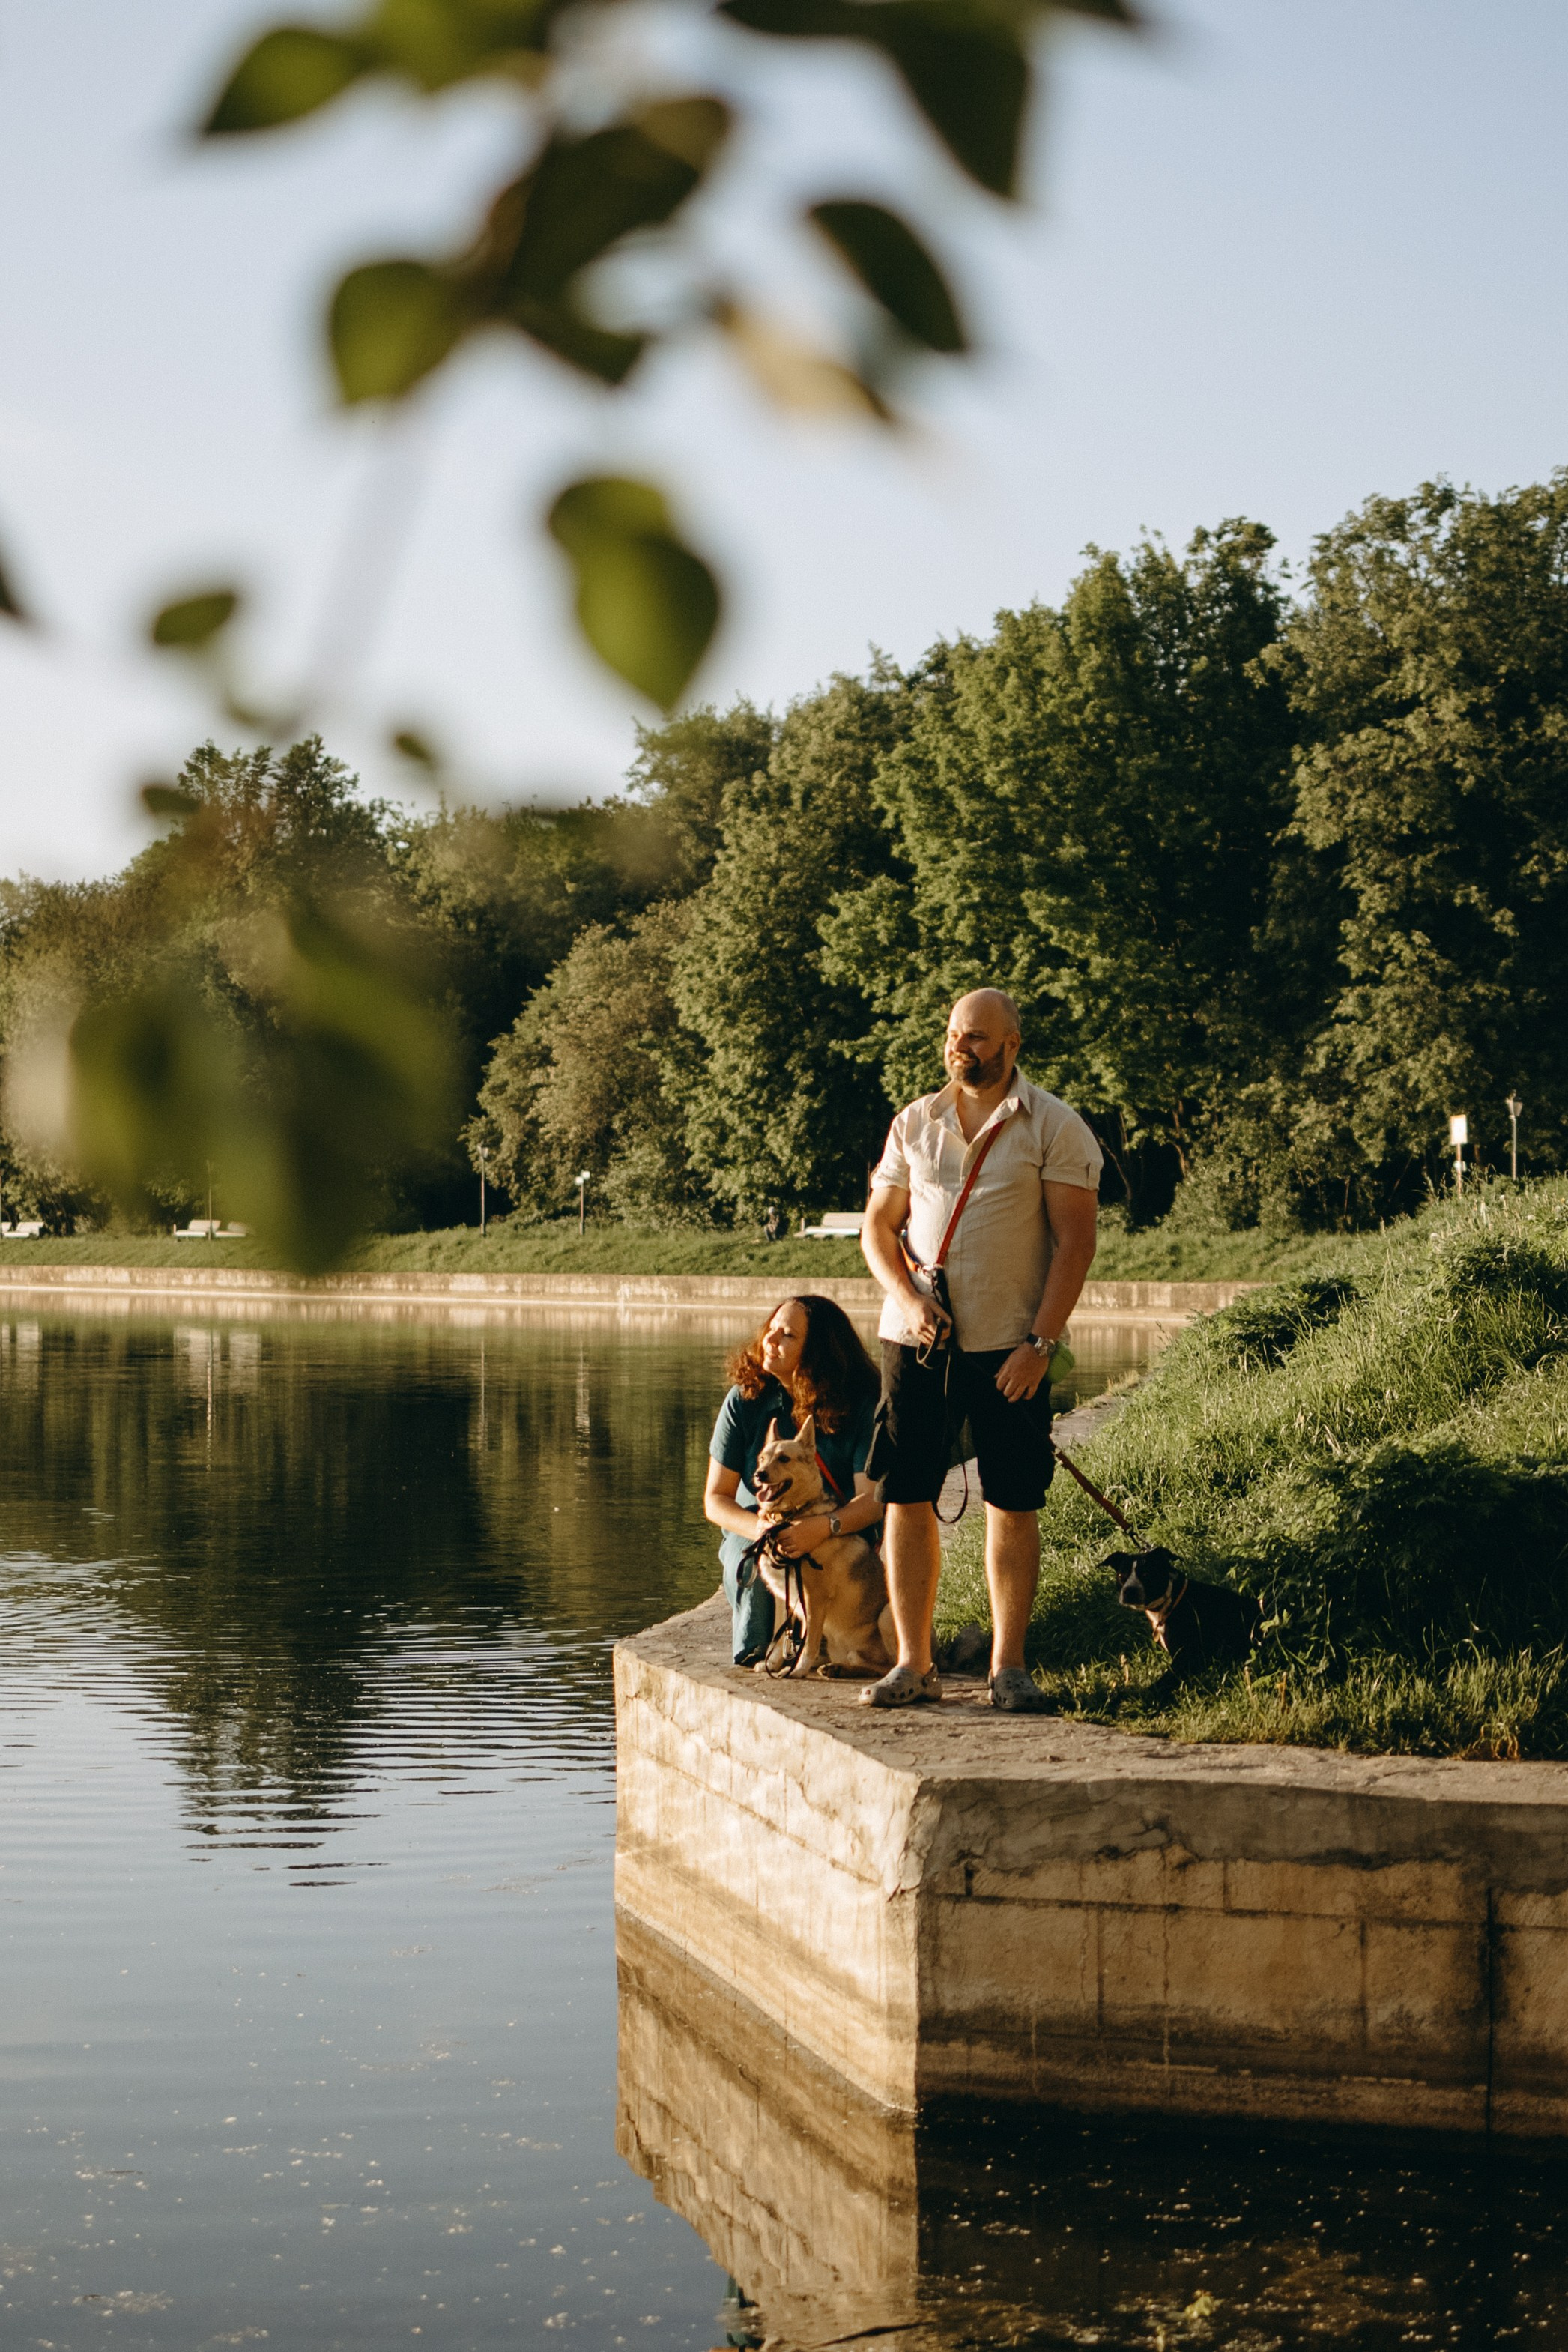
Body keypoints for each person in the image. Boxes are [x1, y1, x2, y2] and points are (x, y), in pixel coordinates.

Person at [859, 988, 1101, 1712]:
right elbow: (878, 1230)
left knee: (1013, 1499)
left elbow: (1075, 1243)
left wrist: (1039, 1343)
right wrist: (907, 1299)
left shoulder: (1054, 1125)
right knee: (905, 1496)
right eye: (953, 1034)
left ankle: (1008, 1668)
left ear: (1010, 1045)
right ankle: (913, 1662)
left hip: (1009, 1350)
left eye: (975, 1037)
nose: (958, 1046)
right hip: (916, 1342)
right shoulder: (915, 1122)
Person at [704, 1294, 886, 1666]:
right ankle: (758, 1650)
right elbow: (716, 1499)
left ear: (819, 1351)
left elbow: (872, 1500)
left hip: (841, 1526)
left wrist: (822, 1527)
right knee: (748, 1555)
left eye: (787, 1335)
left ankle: (829, 1644)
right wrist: (761, 1530)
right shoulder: (744, 1400)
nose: (770, 1341)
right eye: (771, 1329)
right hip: (761, 1519)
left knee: (833, 1562)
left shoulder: (862, 1402)